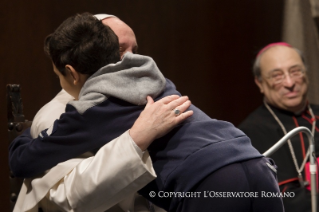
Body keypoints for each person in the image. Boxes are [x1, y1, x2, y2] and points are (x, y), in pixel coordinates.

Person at [10, 13, 284, 212]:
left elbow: (23, 161)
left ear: (70, 72)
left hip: (212, 182)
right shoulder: (156, 79)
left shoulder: (90, 109)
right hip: (257, 165)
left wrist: (25, 135)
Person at [239, 42, 319, 212]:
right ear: (259, 83)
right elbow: (282, 201)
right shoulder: (251, 131)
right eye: (277, 76)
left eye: (295, 71)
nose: (290, 83)